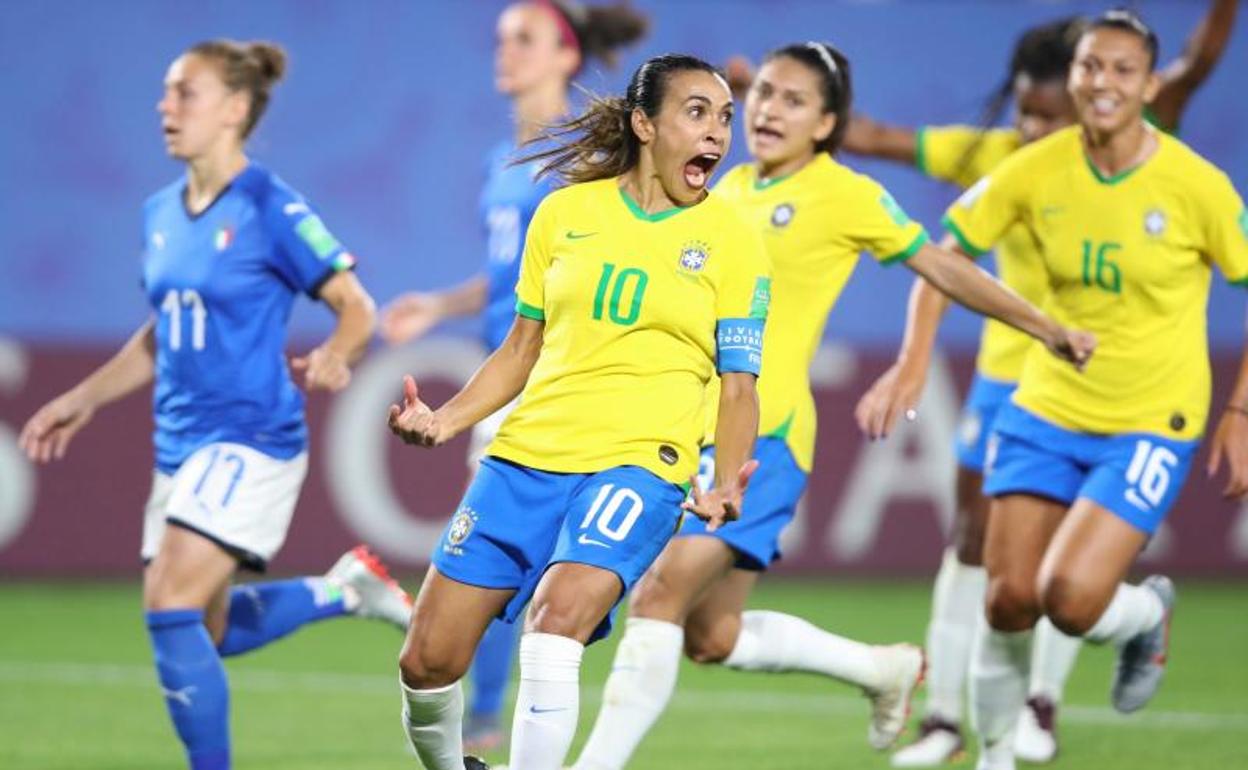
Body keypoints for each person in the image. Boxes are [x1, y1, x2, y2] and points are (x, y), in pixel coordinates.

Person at [569, 41, 1095, 770]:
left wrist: (1044, 326)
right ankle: (880, 670)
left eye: (792, 100)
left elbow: (941, 263)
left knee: (657, 593)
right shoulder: (721, 189)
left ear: (826, 124)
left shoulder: (842, 193)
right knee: (712, 637)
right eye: (763, 96)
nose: (768, 110)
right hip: (686, 434)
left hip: (765, 439)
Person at [849, 1, 1239, 763]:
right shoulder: (1020, 164)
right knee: (1006, 593)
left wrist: (1243, 410)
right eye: (1090, 66)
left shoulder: (1192, 180)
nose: (1101, 83)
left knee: (1068, 595)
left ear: (1148, 84)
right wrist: (916, 358)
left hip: (1148, 412)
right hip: (1036, 393)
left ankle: (1107, 646)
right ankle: (974, 740)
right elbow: (939, 256)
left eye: (1122, 70)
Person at [17, 40, 412, 770]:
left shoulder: (271, 205)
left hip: (252, 438)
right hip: (179, 443)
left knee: (167, 604)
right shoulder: (159, 214)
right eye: (166, 93)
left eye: (184, 93)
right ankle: (343, 590)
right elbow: (163, 330)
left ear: (234, 109)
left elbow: (354, 304)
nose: (165, 107)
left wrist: (338, 353)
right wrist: (82, 398)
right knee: (209, 627)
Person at [389, 53, 771, 770]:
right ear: (643, 123)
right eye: (697, 112)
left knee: (556, 620)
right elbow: (519, 348)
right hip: (527, 455)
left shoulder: (735, 240)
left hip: (641, 463)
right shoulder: (564, 212)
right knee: (427, 662)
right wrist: (445, 420)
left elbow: (740, 385)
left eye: (726, 118)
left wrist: (720, 481)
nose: (718, 133)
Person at [379, 0, 648, 752]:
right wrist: (438, 304)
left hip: (565, 378)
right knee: (504, 559)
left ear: (567, 56)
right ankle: (498, 718)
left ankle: (495, 722)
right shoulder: (501, 163)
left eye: (524, 39)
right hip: (508, 368)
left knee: (514, 561)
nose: (505, 52)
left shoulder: (593, 161)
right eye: (500, 38)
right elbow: (512, 281)